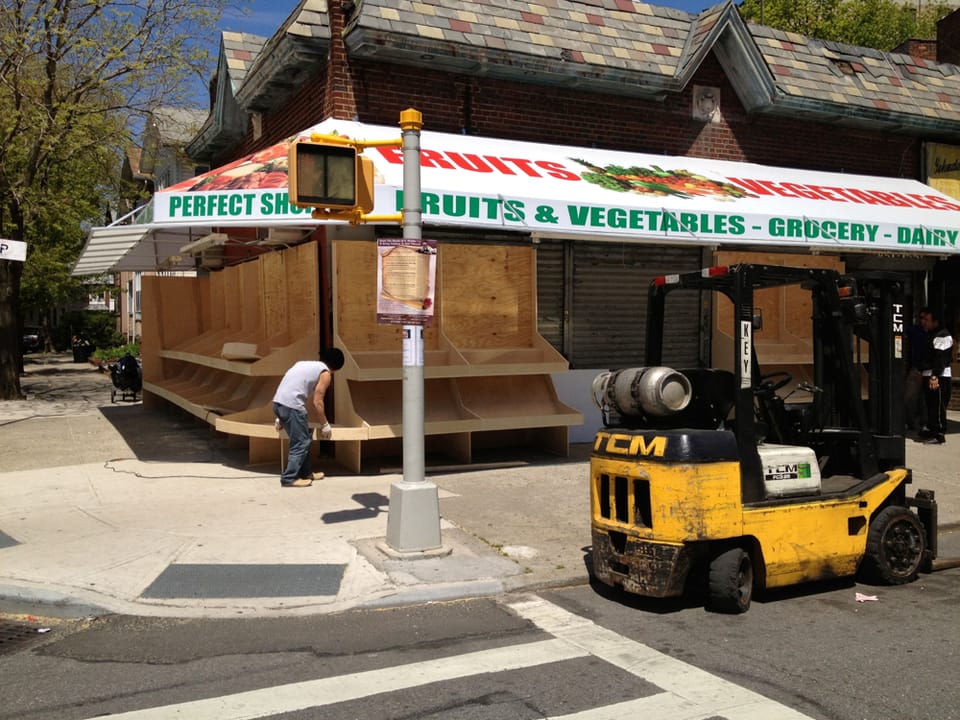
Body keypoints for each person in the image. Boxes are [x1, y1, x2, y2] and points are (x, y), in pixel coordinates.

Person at [273, 347, 345, 487]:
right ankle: (289, 478)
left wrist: (280, 416)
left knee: (305, 438)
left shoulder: (303, 364)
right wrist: (325, 424)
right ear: (336, 367)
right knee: (300, 443)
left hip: (279, 403)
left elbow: (289, 386)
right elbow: (317, 401)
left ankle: (305, 473)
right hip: (292, 407)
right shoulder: (325, 373)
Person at [918, 307, 953, 445]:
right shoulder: (931, 335)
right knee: (931, 405)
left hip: (939, 376)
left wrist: (934, 376)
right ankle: (932, 429)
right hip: (930, 374)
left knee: (937, 406)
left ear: (936, 322)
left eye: (927, 320)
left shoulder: (942, 335)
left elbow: (940, 358)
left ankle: (939, 434)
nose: (924, 322)